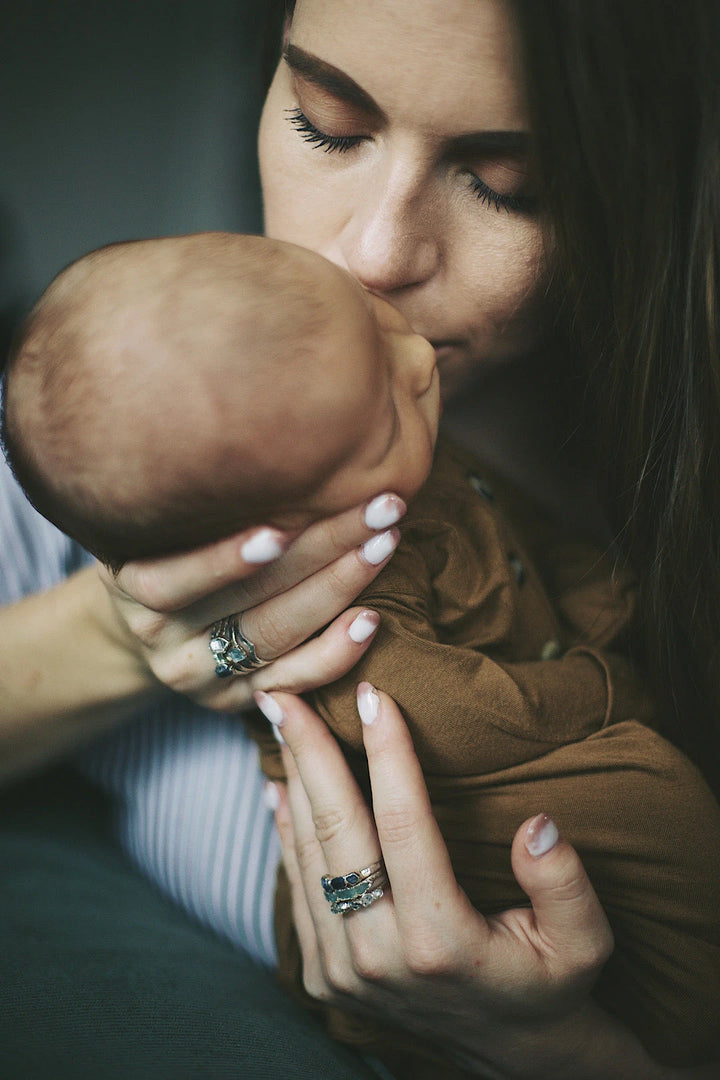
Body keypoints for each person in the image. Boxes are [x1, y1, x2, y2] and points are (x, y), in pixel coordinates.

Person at [1, 1, 719, 1077]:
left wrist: (569, 1057)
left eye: (507, 185)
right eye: (327, 124)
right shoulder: (115, 424)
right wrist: (125, 630)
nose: (374, 253)